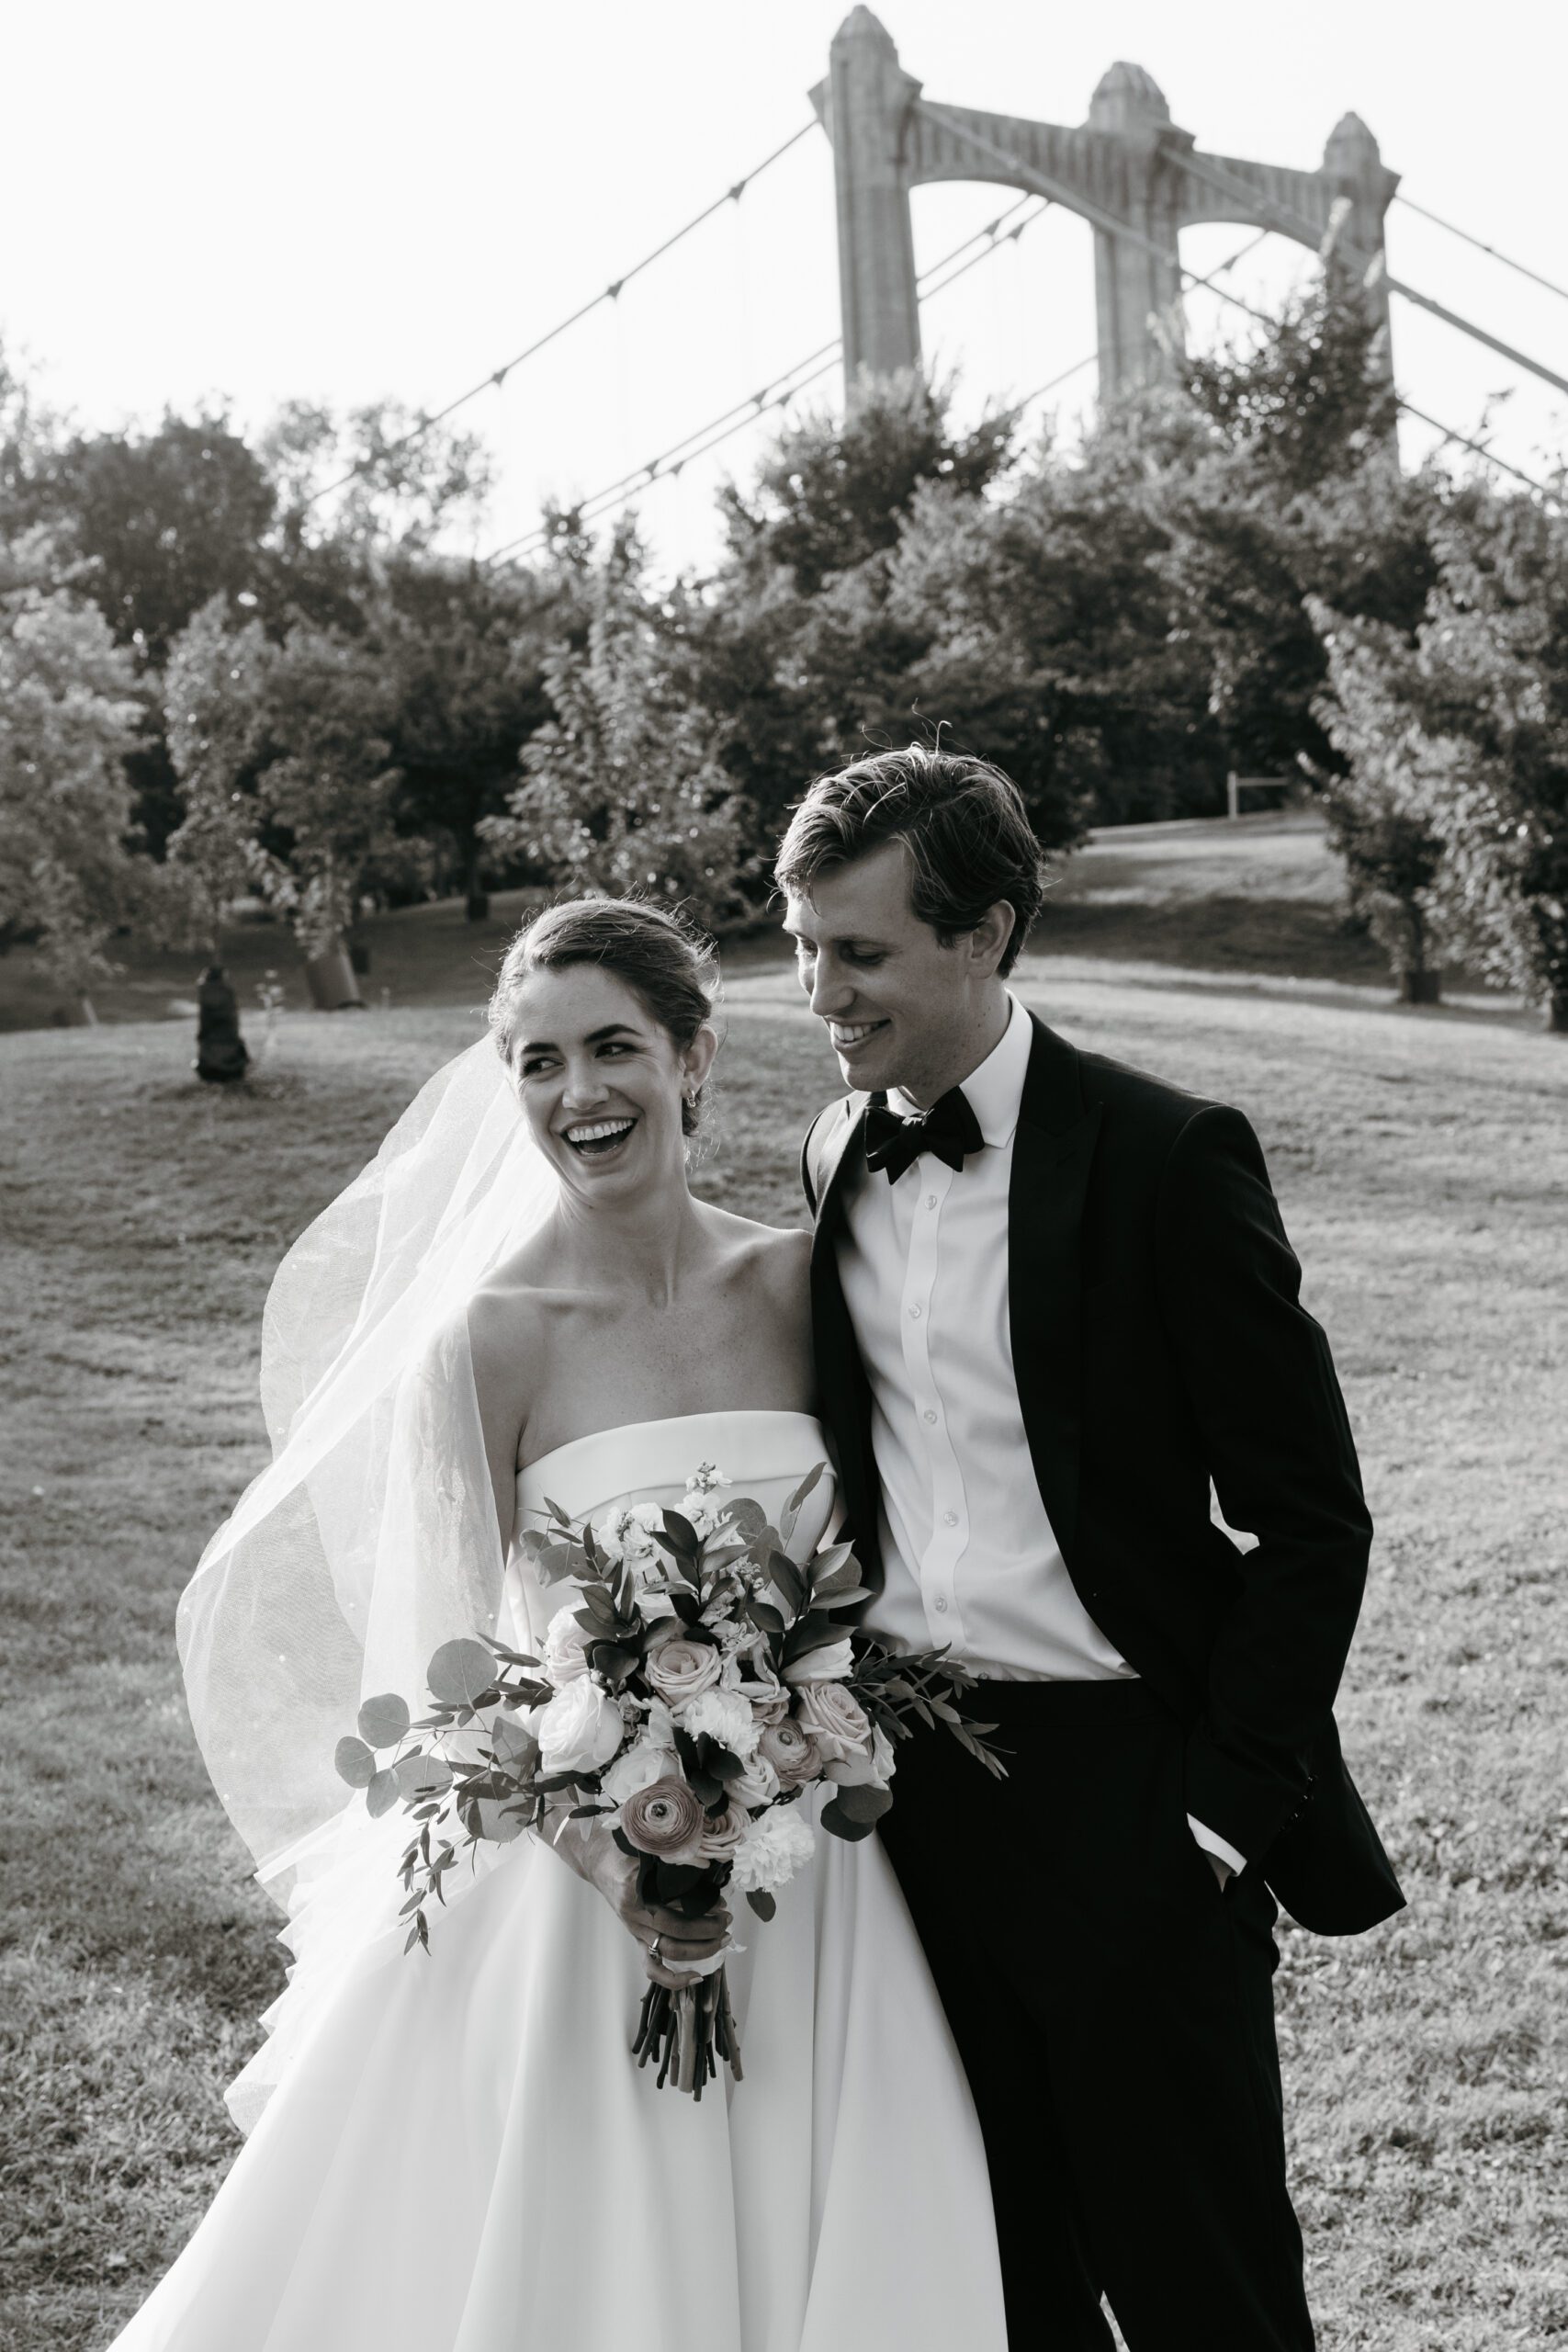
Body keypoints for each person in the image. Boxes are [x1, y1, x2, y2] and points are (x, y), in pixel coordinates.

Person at [107, 896, 1006, 2352]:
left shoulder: (803, 1281)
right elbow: (452, 1665)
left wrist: (796, 1748)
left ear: (693, 1057)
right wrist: (617, 1863)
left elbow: (867, 1561)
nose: (578, 1095)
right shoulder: (490, 1334)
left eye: (613, 1049)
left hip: (811, 1873)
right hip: (583, 1887)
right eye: (535, 1062)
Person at [780, 745, 1405, 2352]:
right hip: (908, 1801)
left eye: (860, 952)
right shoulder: (832, 1152)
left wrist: (1217, 1810)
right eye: (801, 944)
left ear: (985, 935)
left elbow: (1313, 1516)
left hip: (1135, 1799)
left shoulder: (1165, 1156)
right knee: (1002, 2283)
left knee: (1205, 2288)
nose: (818, 991)